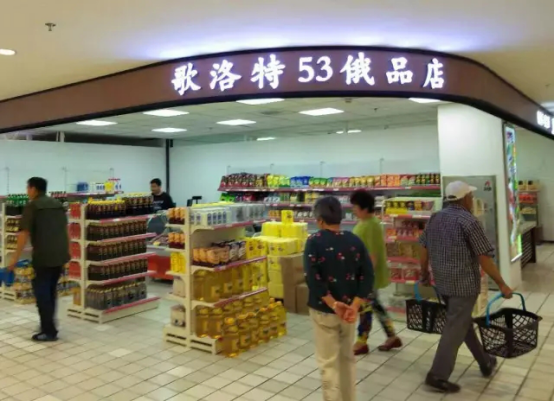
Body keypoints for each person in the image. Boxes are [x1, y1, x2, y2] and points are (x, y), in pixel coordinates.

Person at [419, 181, 513, 393]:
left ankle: (485, 362)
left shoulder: (435, 217)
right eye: (470, 196)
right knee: (455, 327)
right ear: (465, 199)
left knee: (463, 323)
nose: (472, 199)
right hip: (463, 286)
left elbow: (423, 248)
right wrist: (502, 284)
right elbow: (484, 258)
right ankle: (438, 375)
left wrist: (424, 273)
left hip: (442, 283)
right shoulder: (469, 221)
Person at [304, 196, 374, 401]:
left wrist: (333, 304)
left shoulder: (314, 241)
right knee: (347, 360)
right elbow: (368, 275)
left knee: (328, 364)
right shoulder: (354, 240)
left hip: (324, 311)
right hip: (349, 313)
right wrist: (355, 305)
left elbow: (312, 278)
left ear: (319, 220)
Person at [10, 177, 70, 342]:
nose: (27, 191)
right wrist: (68, 251)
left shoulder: (32, 206)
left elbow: (23, 234)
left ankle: (48, 331)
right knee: (51, 291)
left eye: (27, 188)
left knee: (42, 293)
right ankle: (49, 324)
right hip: (59, 255)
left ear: (34, 189)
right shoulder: (58, 204)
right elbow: (65, 229)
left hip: (43, 256)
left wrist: (14, 258)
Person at [350, 190, 402, 355]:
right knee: (375, 306)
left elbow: (372, 255)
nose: (353, 210)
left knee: (365, 307)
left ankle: (362, 341)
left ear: (365, 208)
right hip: (364, 274)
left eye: (355, 207)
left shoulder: (371, 225)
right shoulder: (365, 222)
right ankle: (392, 336)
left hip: (367, 275)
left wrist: (365, 278)